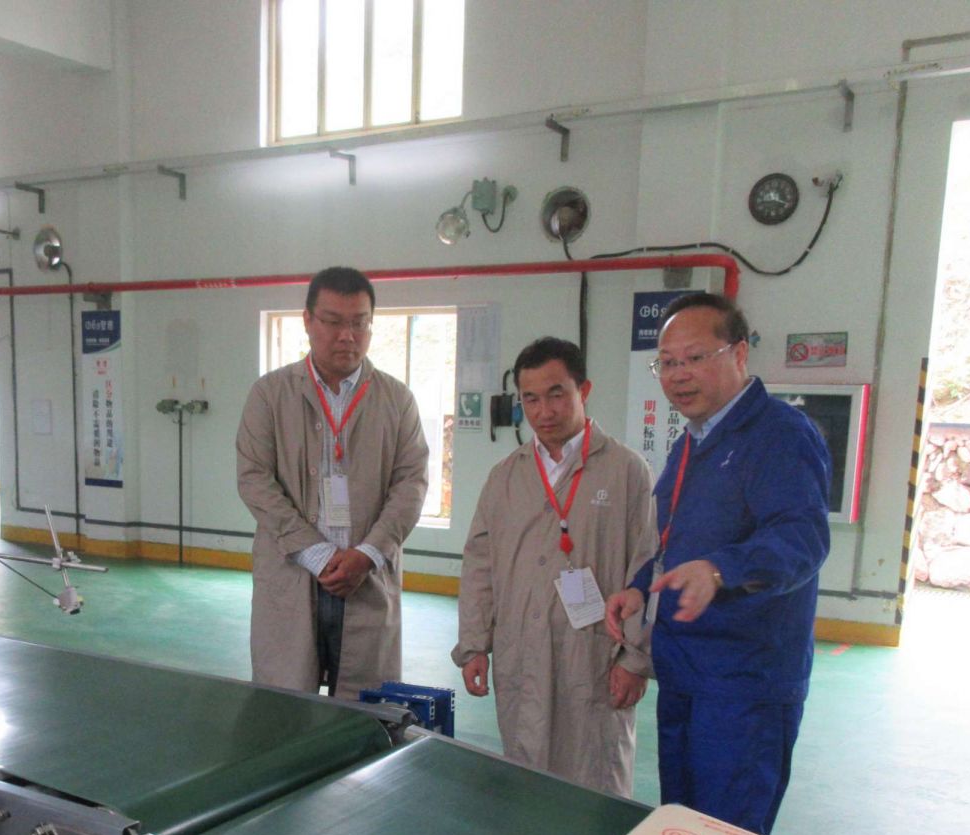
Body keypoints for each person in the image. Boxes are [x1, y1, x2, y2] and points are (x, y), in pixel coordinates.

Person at [603, 292, 830, 835]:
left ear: (740, 354)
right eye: (668, 362)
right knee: (684, 832)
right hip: (685, 673)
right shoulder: (693, 442)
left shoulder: (780, 435)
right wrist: (640, 587)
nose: (678, 374)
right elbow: (674, 541)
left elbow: (801, 538)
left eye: (696, 357)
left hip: (744, 684)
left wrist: (721, 569)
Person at [453, 337, 656, 797]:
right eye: (530, 399)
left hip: (595, 655)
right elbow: (479, 566)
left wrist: (636, 660)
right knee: (526, 774)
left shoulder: (627, 472)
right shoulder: (505, 477)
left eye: (556, 394)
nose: (544, 411)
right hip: (521, 653)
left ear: (584, 390)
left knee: (597, 779)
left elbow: (647, 568)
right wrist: (474, 645)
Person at [236, 266, 430, 699]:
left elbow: (411, 485)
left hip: (366, 577)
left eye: (360, 323)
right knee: (286, 707)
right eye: (333, 321)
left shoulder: (397, 400)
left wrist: (367, 554)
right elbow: (254, 480)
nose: (347, 336)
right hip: (293, 573)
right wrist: (318, 554)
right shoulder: (269, 395)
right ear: (307, 320)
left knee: (364, 713)